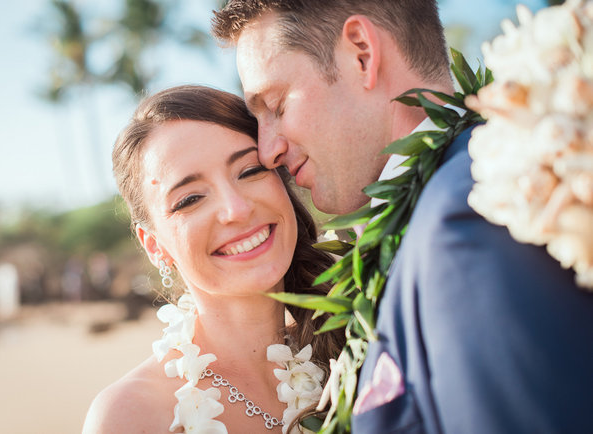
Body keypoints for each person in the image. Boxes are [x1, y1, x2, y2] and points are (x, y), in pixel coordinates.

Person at [212, 1, 593, 433]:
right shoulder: (438, 209)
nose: (268, 151)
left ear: (362, 54)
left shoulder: (466, 220)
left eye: (277, 105)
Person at [82, 85, 344, 433]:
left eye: (249, 171)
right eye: (190, 199)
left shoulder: (356, 338)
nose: (236, 209)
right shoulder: (131, 416)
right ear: (154, 245)